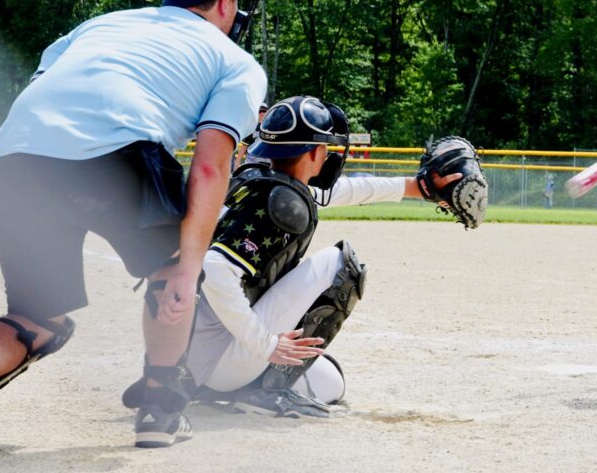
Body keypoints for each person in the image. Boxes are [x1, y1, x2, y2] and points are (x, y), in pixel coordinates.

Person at [0, 0, 267, 448]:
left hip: (16, 154)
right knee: (172, 271)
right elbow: (212, 166)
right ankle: (159, 408)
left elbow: (51, 94)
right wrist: (188, 264)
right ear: (225, 4)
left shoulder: (101, 24)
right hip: (115, 153)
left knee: (36, 319)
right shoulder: (235, 61)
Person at [123, 95, 468, 418]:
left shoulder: (260, 182)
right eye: (325, 146)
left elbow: (341, 191)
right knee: (341, 264)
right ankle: (265, 391)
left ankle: (221, 387)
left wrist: (416, 187)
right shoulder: (279, 201)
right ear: (315, 153)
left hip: (193, 357)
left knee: (330, 381)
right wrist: (267, 344)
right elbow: (215, 269)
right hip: (221, 357)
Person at [232, 102, 270, 171]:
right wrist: (237, 163)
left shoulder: (272, 127)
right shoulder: (251, 128)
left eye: (264, 111)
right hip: (252, 163)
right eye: (259, 111)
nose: (261, 113)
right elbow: (244, 146)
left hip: (268, 164)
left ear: (268, 112)